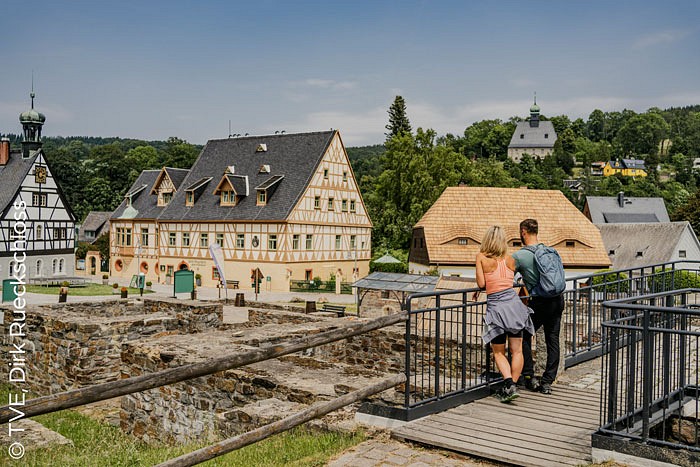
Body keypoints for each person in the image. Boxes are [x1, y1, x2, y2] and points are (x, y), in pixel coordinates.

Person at [474, 225, 535, 403]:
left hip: (497, 308)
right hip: (514, 306)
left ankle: (508, 383)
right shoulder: (510, 259)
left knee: (499, 352)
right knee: (517, 351)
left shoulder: (481, 258)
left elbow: (480, 283)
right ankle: (512, 386)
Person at [513, 218, 565, 395]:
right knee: (553, 339)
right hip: (557, 299)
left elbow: (506, 277)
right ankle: (547, 381)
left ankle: (529, 376)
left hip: (540, 302)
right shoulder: (549, 250)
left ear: (523, 232)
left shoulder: (519, 256)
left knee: (524, 334)